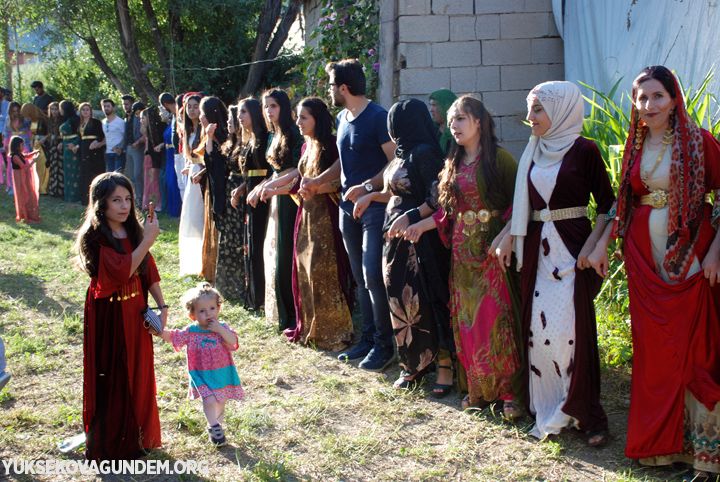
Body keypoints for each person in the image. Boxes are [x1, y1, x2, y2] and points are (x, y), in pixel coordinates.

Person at [590, 66, 720, 477]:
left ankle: (705, 456)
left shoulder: (700, 143)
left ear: (674, 98)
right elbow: (624, 203)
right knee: (657, 353)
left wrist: (717, 252)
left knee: (696, 351)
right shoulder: (635, 143)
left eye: (657, 96)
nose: (648, 106)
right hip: (646, 264)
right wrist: (600, 244)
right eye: (641, 98)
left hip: (693, 259)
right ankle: (661, 448)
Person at [499, 81, 612, 444]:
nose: (529, 117)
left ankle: (587, 415)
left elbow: (609, 206)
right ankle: (549, 407)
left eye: (537, 109)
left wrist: (593, 247)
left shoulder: (585, 151)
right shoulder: (533, 150)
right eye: (530, 109)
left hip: (573, 254)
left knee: (571, 334)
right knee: (540, 335)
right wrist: (505, 239)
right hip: (537, 255)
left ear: (561, 110)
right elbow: (524, 207)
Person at [405, 96, 521, 411]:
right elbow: (448, 213)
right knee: (467, 321)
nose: (454, 125)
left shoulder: (501, 159)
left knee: (495, 319)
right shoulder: (452, 164)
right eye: (452, 119)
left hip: (492, 251)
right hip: (462, 255)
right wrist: (422, 226)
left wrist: (506, 234)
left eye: (461, 119)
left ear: (479, 122)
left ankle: (509, 393)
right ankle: (480, 389)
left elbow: (521, 205)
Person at [359, 99, 451, 390]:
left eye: (397, 119)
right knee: (401, 302)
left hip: (420, 242)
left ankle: (444, 367)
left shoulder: (425, 153)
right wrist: (370, 195)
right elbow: (395, 191)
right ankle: (412, 364)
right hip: (395, 242)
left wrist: (411, 218)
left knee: (427, 299)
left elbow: (437, 198)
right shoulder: (401, 153)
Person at [74, 172, 165, 460]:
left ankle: (141, 437)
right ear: (101, 204)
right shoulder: (95, 237)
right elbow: (122, 270)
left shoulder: (134, 231)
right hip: (110, 315)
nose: (124, 206)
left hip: (136, 310)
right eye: (116, 200)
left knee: (140, 370)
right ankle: (118, 443)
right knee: (115, 374)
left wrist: (162, 308)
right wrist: (147, 241)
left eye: (128, 199)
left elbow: (146, 270)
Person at [316, 59, 396, 371]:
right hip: (347, 210)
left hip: (375, 208)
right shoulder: (341, 118)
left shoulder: (379, 117)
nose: (329, 91)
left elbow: (394, 162)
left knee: (374, 276)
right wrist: (319, 180)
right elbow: (345, 163)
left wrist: (367, 187)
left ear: (344, 88)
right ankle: (368, 339)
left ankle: (384, 345)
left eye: (332, 86)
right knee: (360, 278)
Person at [278, 97, 355, 351]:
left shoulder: (332, 145)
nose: (298, 122)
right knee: (304, 270)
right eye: (298, 117)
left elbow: (342, 181)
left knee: (325, 272)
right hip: (306, 216)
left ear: (317, 120)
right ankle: (310, 326)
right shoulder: (304, 147)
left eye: (304, 117)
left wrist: (317, 188)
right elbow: (300, 181)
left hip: (327, 216)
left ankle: (333, 330)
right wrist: (273, 189)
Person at [156, 283, 243, 447]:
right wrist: (158, 332)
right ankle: (213, 426)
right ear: (193, 315)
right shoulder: (191, 331)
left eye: (212, 308)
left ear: (218, 309)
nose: (208, 313)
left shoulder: (222, 327)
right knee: (209, 399)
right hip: (201, 373)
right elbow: (175, 337)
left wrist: (221, 330)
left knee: (220, 400)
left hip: (222, 372)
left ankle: (218, 425)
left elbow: (233, 341)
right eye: (202, 311)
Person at [257, 89, 302, 331]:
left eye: (273, 106)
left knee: (286, 254)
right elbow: (272, 172)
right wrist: (264, 186)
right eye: (266, 107)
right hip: (275, 197)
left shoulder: (294, 133)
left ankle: (293, 313)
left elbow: (297, 169)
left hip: (289, 197)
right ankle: (279, 310)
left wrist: (272, 186)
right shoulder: (271, 135)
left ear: (283, 107)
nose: (269, 111)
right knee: (274, 252)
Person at [231, 98, 269, 311]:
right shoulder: (249, 139)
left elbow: (270, 172)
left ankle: (264, 298)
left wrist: (256, 188)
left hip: (264, 199)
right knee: (251, 247)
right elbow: (250, 175)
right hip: (251, 198)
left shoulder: (264, 138)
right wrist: (242, 187)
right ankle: (255, 296)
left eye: (243, 112)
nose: (240, 117)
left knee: (260, 247)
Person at [209, 102, 246, 300]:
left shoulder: (247, 142)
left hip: (241, 191)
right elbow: (214, 160)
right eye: (230, 119)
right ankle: (227, 285)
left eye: (233, 119)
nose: (230, 122)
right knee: (228, 238)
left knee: (238, 238)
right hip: (230, 191)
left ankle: (239, 285)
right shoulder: (231, 143)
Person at [199, 96, 235, 295]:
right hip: (212, 187)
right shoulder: (211, 134)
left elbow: (218, 164)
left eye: (204, 114)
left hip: (226, 189)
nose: (201, 117)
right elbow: (209, 160)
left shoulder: (227, 136)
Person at [178, 93, 206, 276]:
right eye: (189, 107)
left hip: (202, 174)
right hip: (192, 175)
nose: (192, 110)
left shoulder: (205, 129)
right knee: (191, 216)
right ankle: (192, 262)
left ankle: (203, 261)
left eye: (195, 106)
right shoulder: (187, 130)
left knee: (200, 215)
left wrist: (197, 168)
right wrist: (189, 167)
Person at [75, 102, 106, 206]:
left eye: (87, 109)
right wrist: (77, 146)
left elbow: (101, 135)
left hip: (94, 150)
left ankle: (97, 197)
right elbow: (80, 138)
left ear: (90, 111)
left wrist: (96, 142)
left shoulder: (96, 122)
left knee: (94, 171)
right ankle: (85, 198)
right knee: (85, 172)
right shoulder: (81, 123)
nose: (85, 111)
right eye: (83, 109)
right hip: (84, 149)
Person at [159, 93, 181, 216]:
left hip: (175, 152)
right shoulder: (172, 117)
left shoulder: (179, 115)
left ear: (165, 105)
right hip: (168, 153)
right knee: (170, 181)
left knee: (175, 181)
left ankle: (177, 210)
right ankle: (172, 209)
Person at [9, 136, 41, 223]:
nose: (24, 147)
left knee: (28, 193)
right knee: (23, 195)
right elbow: (24, 167)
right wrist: (34, 161)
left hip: (24, 178)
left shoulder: (19, 154)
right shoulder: (15, 156)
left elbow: (26, 156)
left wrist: (35, 152)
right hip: (19, 178)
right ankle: (23, 214)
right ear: (16, 146)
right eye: (22, 145)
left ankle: (29, 213)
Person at [20, 103, 50, 195]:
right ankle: (37, 187)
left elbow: (52, 131)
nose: (26, 117)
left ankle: (44, 188)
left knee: (43, 166)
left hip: (44, 146)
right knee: (36, 167)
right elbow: (33, 132)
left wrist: (44, 138)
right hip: (35, 145)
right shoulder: (33, 120)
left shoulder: (44, 119)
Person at [4, 101, 31, 195]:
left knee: (25, 161)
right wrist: (6, 144)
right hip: (13, 142)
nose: (16, 113)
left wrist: (31, 141)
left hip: (25, 141)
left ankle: (27, 185)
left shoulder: (25, 119)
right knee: (12, 164)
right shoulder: (8, 120)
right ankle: (13, 185)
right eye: (13, 111)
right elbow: (6, 133)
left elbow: (30, 130)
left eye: (17, 110)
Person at [141, 105, 163, 211]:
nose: (142, 120)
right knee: (151, 180)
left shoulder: (157, 128)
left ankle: (158, 202)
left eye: (143, 118)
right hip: (151, 159)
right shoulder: (149, 131)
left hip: (157, 159)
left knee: (156, 180)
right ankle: (151, 203)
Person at [123, 95, 144, 205]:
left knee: (137, 174)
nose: (124, 106)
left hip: (138, 147)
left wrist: (139, 142)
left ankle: (140, 199)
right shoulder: (126, 118)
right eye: (123, 104)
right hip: (129, 147)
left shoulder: (138, 117)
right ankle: (134, 199)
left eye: (126, 104)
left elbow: (144, 132)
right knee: (131, 175)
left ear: (132, 104)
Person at [59, 101, 81, 203]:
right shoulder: (65, 119)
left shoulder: (75, 119)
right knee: (67, 171)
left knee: (75, 171)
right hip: (66, 148)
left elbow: (80, 134)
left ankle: (74, 195)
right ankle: (67, 195)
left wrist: (75, 144)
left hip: (73, 148)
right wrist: (62, 143)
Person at [429, 89, 457, 156]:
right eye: (431, 105)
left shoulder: (457, 131)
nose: (431, 110)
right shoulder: (430, 129)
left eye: (434, 105)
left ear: (446, 106)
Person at [101, 98, 125, 173]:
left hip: (118, 152)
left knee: (118, 176)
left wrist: (119, 146)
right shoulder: (103, 122)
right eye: (104, 106)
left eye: (108, 106)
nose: (106, 108)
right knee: (109, 176)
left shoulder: (120, 121)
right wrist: (99, 144)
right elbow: (105, 137)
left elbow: (125, 136)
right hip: (108, 153)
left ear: (113, 107)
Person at [46, 101, 64, 198]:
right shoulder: (50, 121)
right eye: (52, 109)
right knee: (53, 167)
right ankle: (53, 190)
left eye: (56, 109)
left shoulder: (61, 121)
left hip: (59, 145)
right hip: (52, 146)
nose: (54, 111)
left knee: (60, 168)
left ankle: (60, 190)